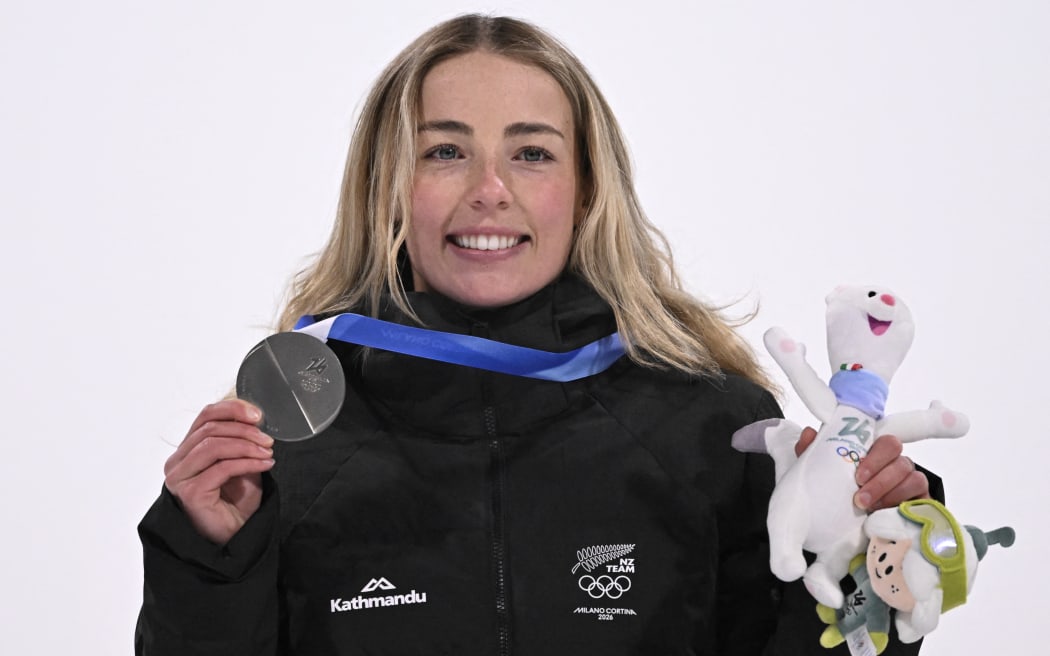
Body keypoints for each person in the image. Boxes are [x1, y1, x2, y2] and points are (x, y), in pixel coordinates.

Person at [136, 14, 936, 655]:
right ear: (388, 187)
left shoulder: (711, 430)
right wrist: (207, 558)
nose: (490, 191)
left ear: (587, 188)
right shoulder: (292, 445)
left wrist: (872, 553)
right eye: (445, 151)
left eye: (531, 153)